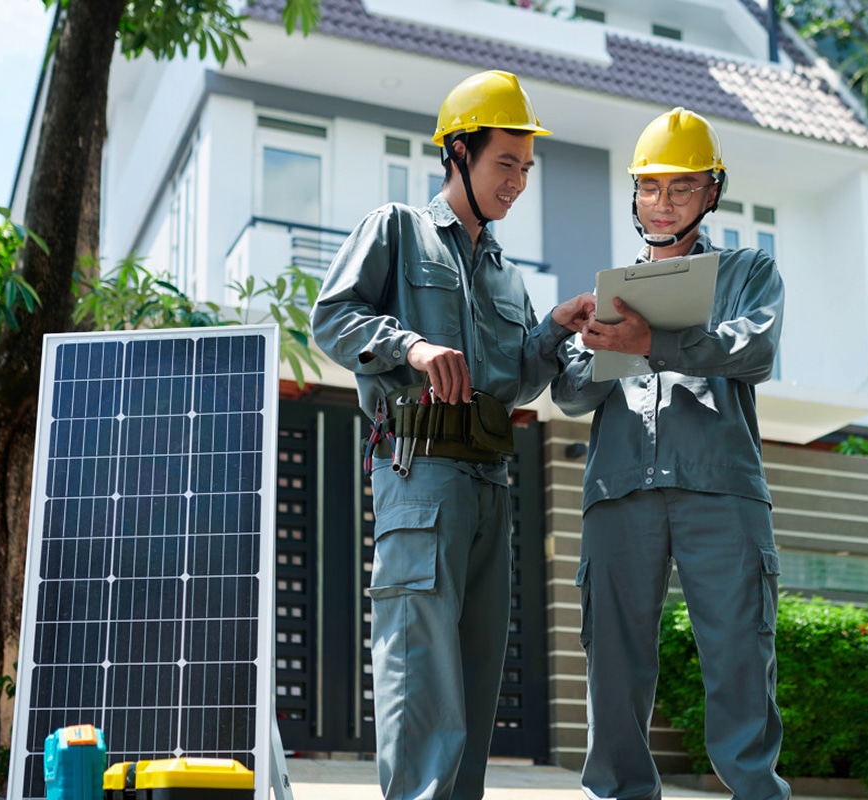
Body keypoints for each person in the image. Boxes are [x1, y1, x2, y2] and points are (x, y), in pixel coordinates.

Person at [311, 69, 594, 800]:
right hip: (420, 476)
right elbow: (330, 320)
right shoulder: (396, 229)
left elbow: (512, 384)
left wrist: (552, 329)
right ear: (458, 153)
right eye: (506, 163)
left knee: (471, 684)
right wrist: (410, 346)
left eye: (526, 169)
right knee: (420, 672)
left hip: (490, 488)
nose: (518, 183)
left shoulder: (504, 273)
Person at [552, 107, 791, 800]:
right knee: (615, 663)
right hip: (619, 490)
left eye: (681, 188)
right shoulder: (610, 294)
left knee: (740, 653)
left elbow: (756, 349)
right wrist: (597, 344)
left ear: (712, 191)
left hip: (720, 488)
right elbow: (570, 393)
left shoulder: (748, 271)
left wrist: (650, 343)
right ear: (634, 195)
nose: (662, 204)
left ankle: (755, 792)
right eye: (650, 188)